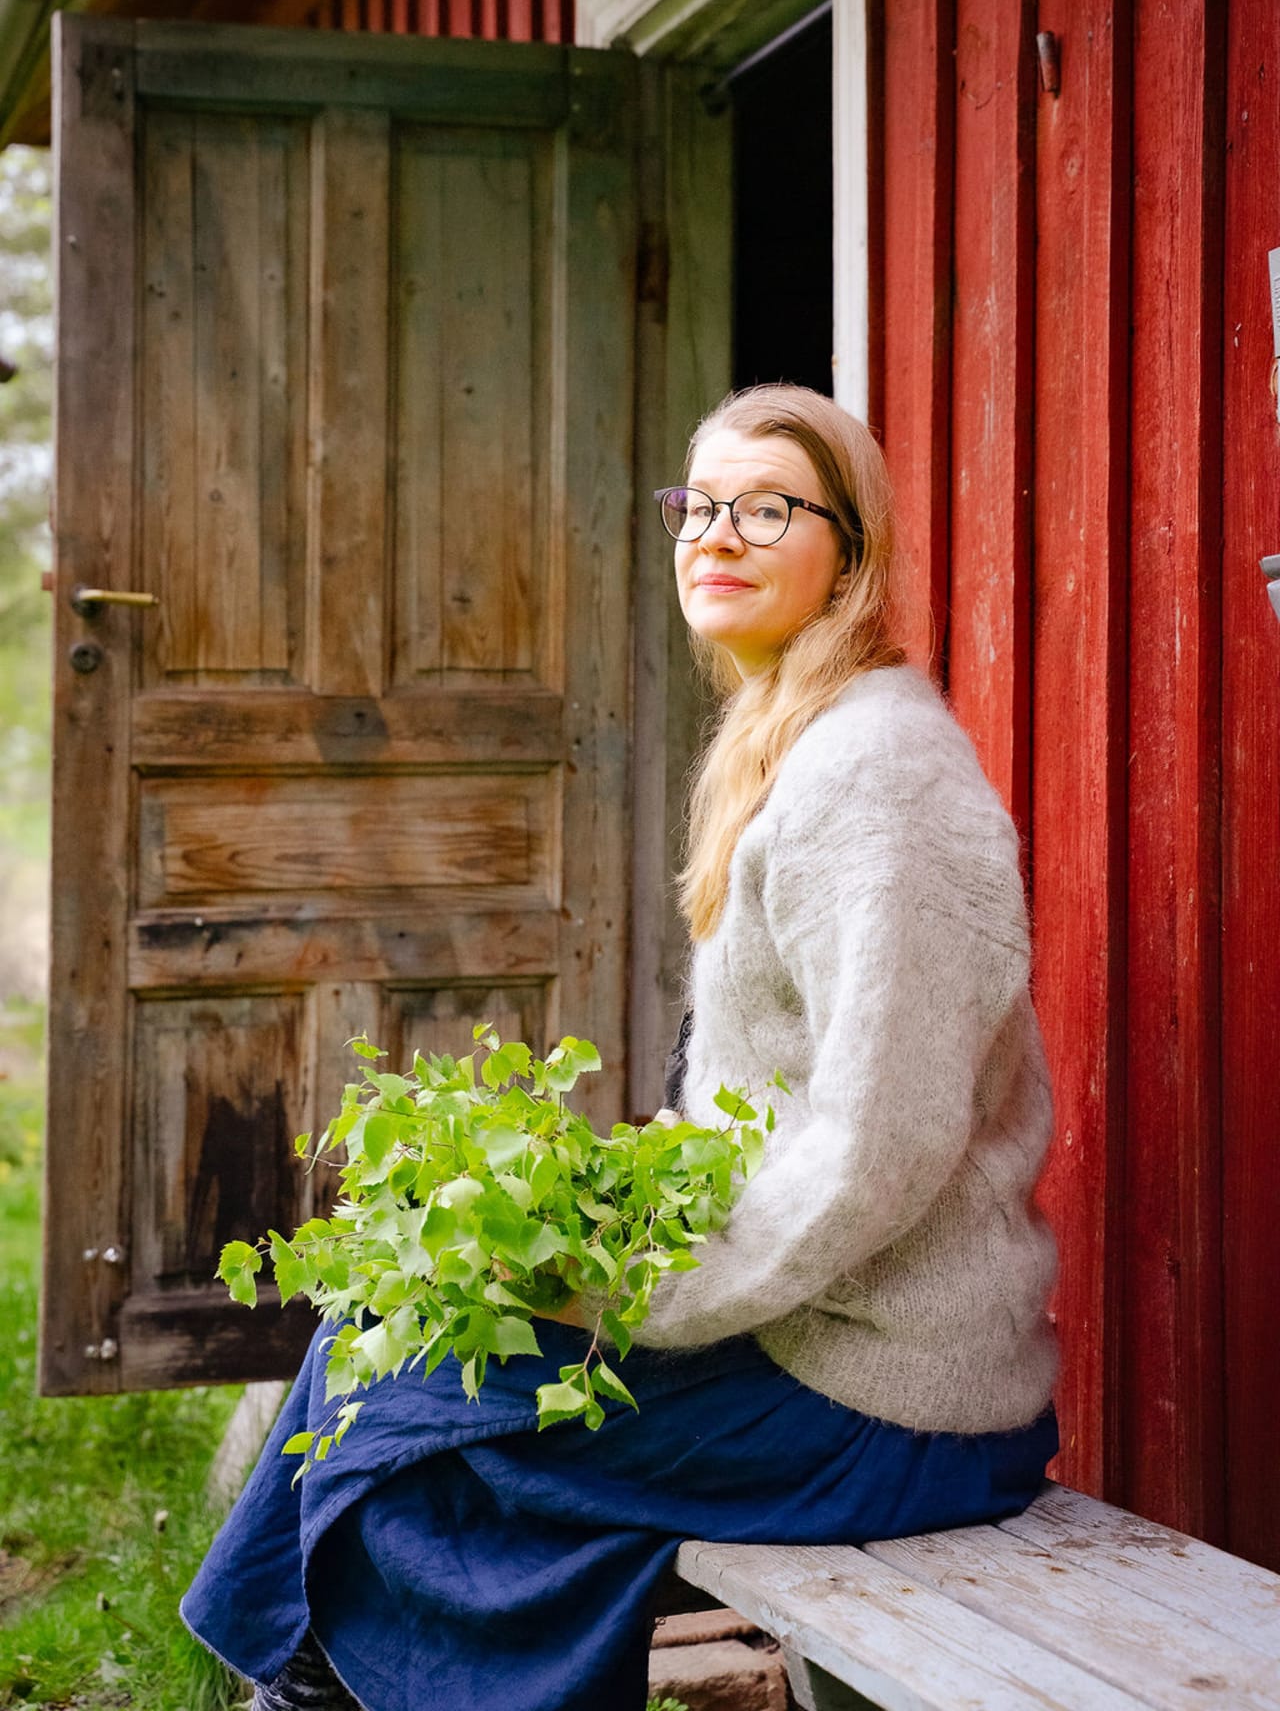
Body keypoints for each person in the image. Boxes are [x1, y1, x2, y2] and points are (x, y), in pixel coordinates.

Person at [183, 383, 1059, 1711]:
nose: (718, 533)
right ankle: (325, 1685)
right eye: (698, 505)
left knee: (399, 1398)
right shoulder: (790, 737)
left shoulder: (879, 776)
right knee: (390, 1338)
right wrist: (571, 1232)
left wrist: (627, 1300)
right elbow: (762, 1122)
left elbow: (874, 1152)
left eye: (768, 507)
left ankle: (321, 1689)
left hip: (892, 1402)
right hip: (807, 1343)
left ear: (853, 551)